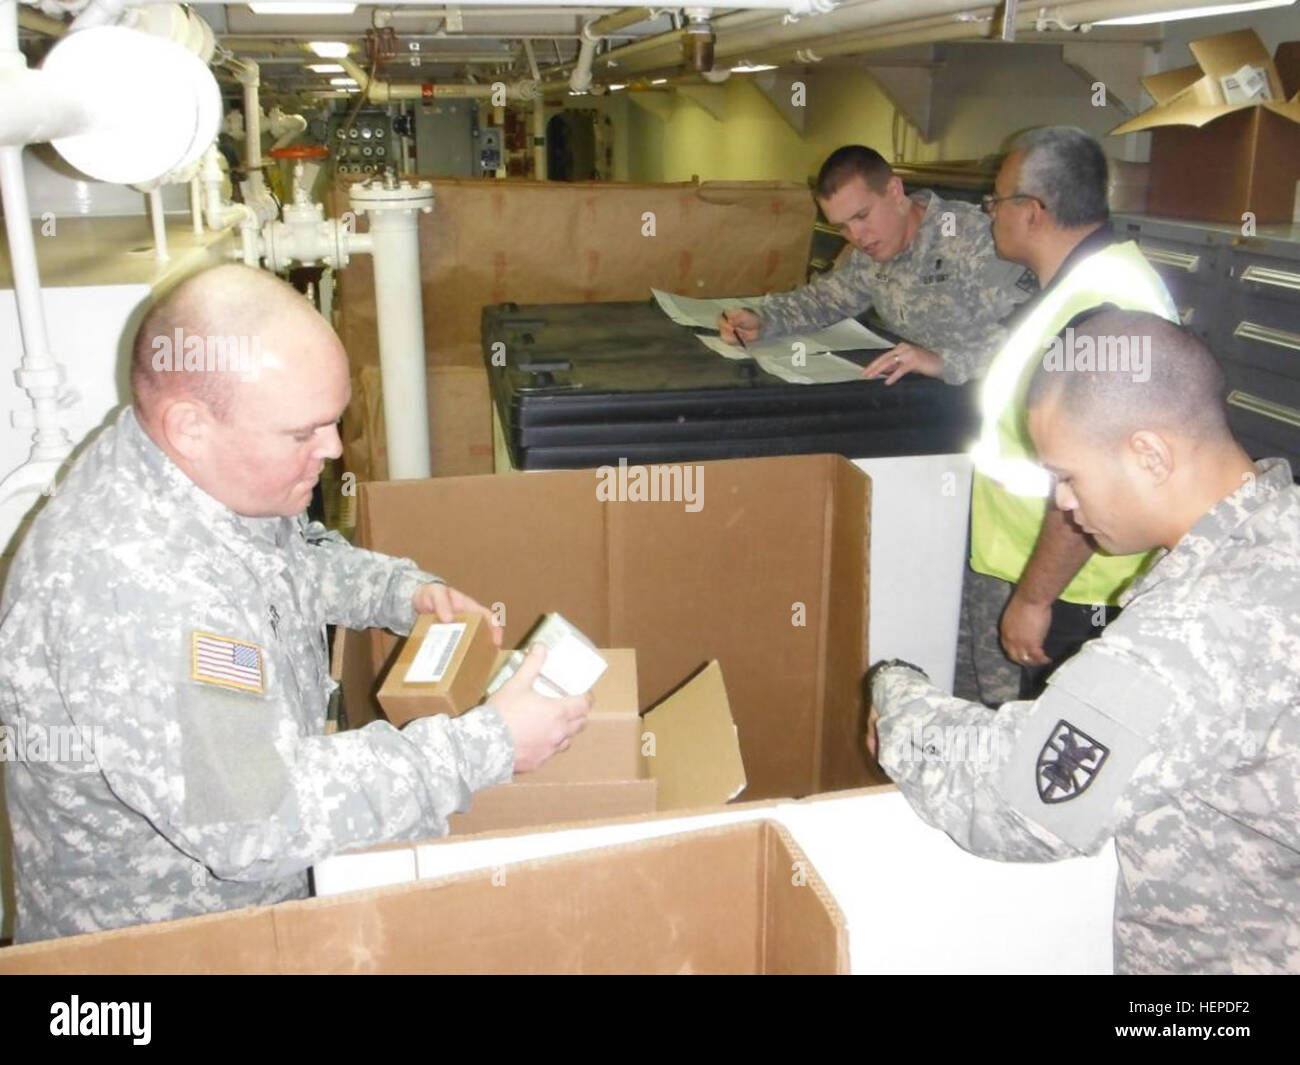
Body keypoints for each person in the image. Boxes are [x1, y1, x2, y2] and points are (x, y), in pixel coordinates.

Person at [0, 264, 591, 943]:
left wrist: (398, 592)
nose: (334, 448)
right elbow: (257, 813)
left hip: (250, 914)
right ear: (190, 426)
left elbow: (285, 554)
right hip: (164, 953)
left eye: (334, 422)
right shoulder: (131, 587)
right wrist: (489, 743)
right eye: (304, 432)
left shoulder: (192, 466)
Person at [870, 310, 1300, 974]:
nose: (1064, 503)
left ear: (1150, 454)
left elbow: (1021, 801)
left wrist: (897, 700)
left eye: (1067, 474)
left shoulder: (1200, 624)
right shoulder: (1277, 529)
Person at [958, 126, 1178, 707]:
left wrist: (1034, 598)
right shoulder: (1077, 290)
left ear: (1032, 212)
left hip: (1070, 591)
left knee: (1028, 748)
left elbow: (1091, 477)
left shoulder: (1101, 310)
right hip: (1026, 567)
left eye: (995, 201)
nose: (989, 215)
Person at [716, 144, 1034, 386]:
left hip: (985, 402)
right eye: (842, 226)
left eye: (861, 216)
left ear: (894, 192)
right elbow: (824, 300)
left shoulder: (977, 238)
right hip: (918, 398)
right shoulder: (873, 252)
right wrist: (763, 319)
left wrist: (944, 361)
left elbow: (1037, 338)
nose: (856, 236)